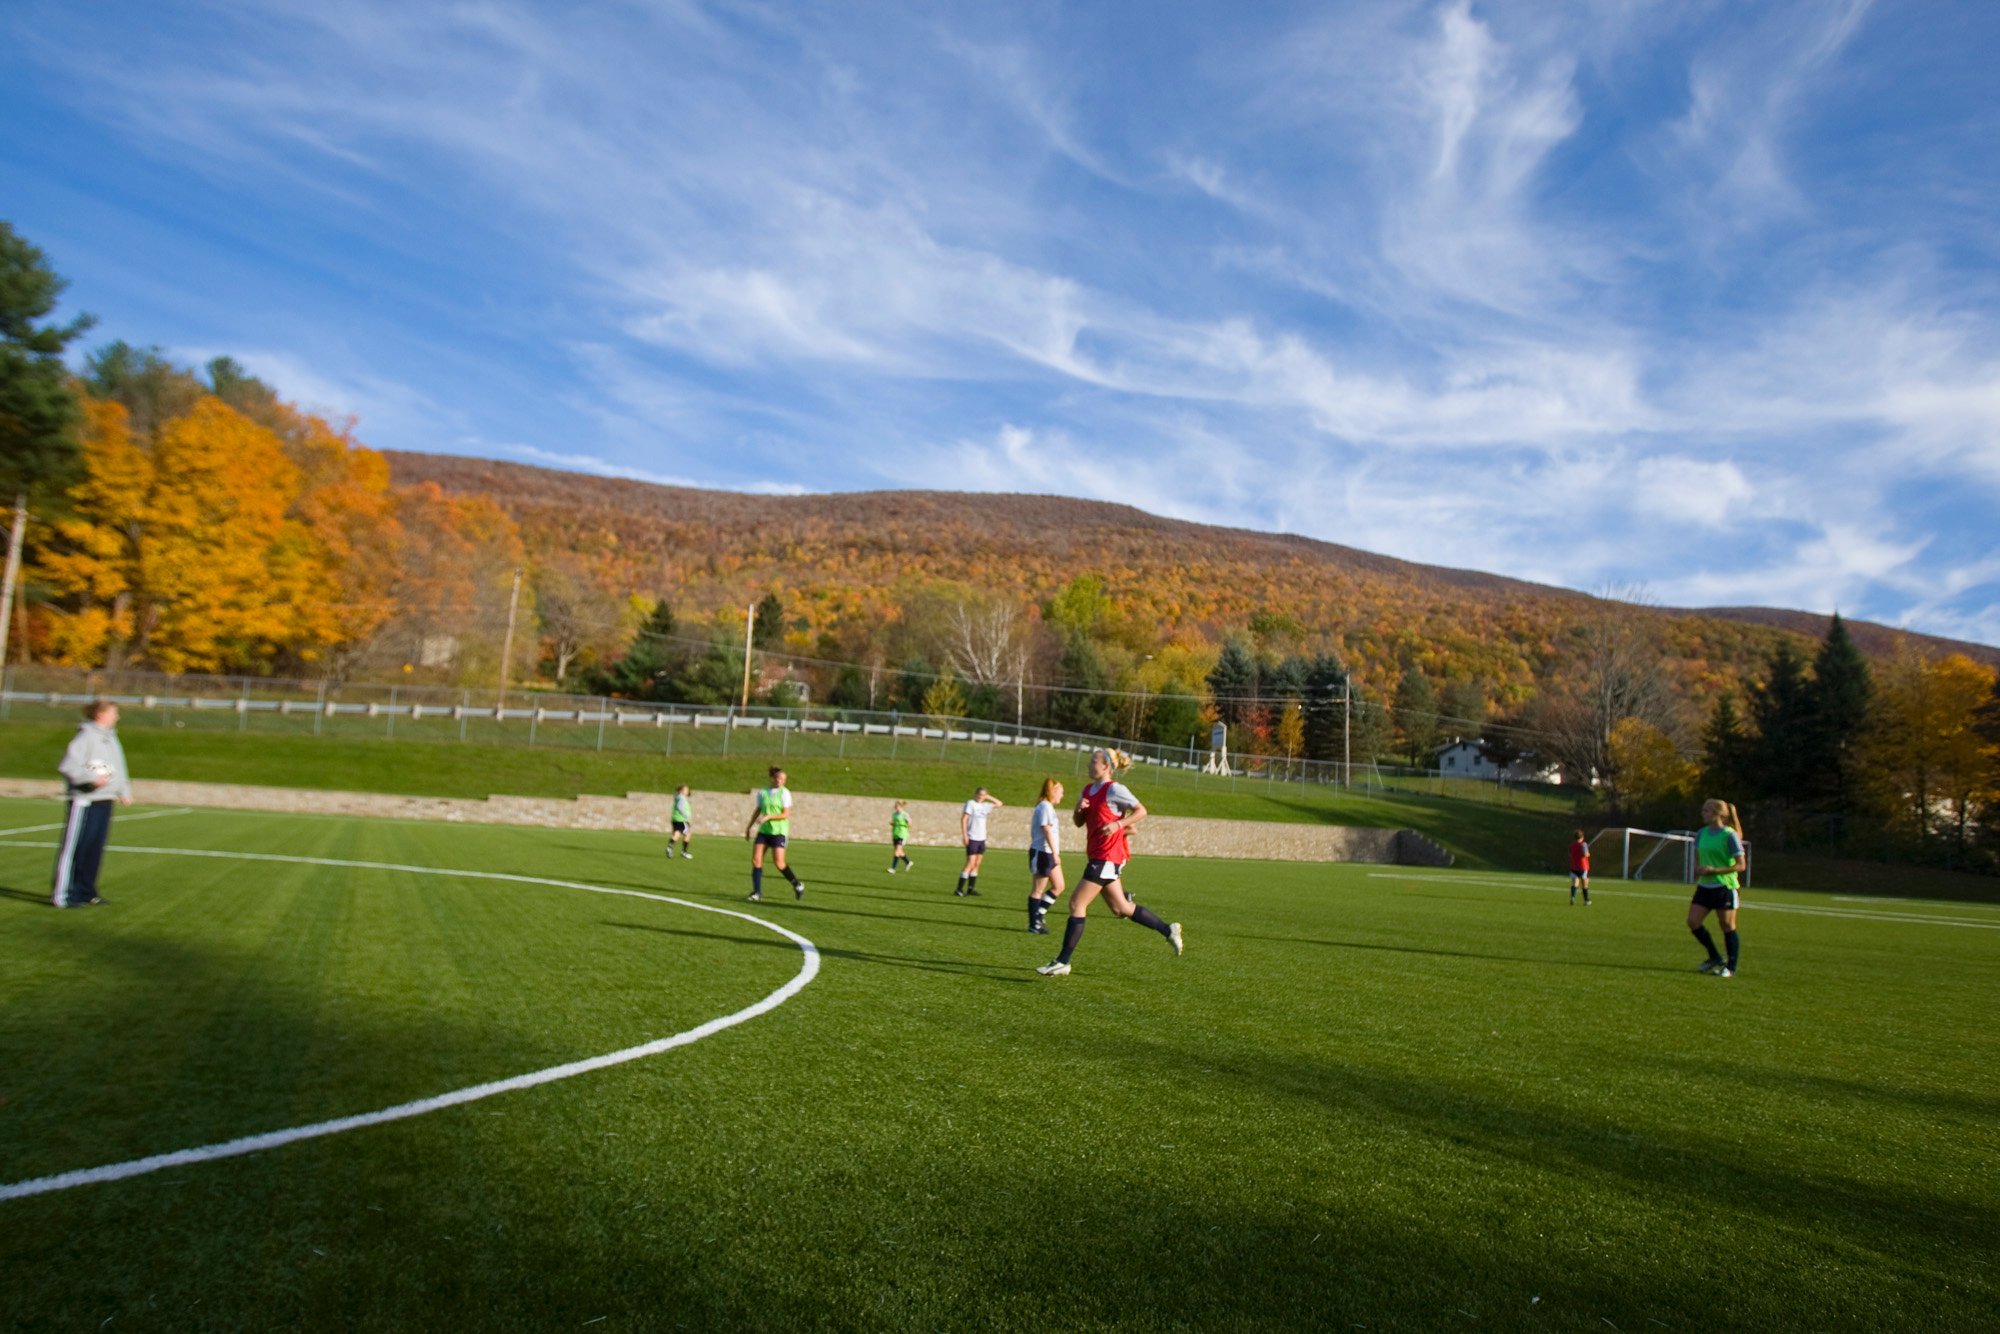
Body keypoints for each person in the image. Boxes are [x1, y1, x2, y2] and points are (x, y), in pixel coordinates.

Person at [1037, 749, 1181, 975]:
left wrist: (1118, 825)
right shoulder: (1087, 790)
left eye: (1093, 761)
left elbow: (1141, 811)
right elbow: (1078, 823)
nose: (1088, 764)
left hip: (1107, 856)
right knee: (1121, 908)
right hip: (1097, 855)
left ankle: (1063, 961)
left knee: (1077, 904)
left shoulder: (1114, 789)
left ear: (1106, 767)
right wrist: (1078, 810)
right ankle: (1168, 929)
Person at [52, 699, 132, 908]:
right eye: (114, 712)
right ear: (100, 714)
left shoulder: (111, 739)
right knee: (75, 847)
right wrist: (90, 778)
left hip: (104, 800)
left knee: (93, 849)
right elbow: (68, 766)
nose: (117, 717)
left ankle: (86, 891)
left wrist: (123, 790)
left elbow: (119, 767)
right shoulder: (85, 736)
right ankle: (63, 895)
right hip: (84, 800)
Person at [1689, 799, 1747, 978]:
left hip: (1724, 886)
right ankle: (1715, 957)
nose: (1703, 814)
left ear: (1717, 814)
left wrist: (1715, 870)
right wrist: (1698, 870)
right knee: (1693, 922)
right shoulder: (1701, 834)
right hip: (1705, 886)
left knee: (1727, 926)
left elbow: (1741, 865)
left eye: (1706, 811)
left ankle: (1731, 966)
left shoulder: (1729, 835)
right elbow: (1698, 860)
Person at [743, 767, 805, 902]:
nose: (780, 781)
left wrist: (769, 817)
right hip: (764, 832)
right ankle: (757, 892)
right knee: (756, 860)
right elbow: (758, 810)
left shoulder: (785, 793)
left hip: (779, 832)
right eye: (778, 778)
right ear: (773, 778)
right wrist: (749, 827)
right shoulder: (763, 792)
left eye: (783, 779)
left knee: (779, 863)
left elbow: (786, 814)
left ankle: (797, 884)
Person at [1026, 777, 1065, 933]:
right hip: (1042, 852)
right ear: (1053, 791)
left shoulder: (1049, 807)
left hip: (1049, 853)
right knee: (1038, 890)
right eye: (1061, 792)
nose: (1062, 796)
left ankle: (1039, 914)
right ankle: (1033, 924)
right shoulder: (1044, 806)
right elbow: (1046, 829)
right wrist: (1055, 852)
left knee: (1059, 886)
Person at [953, 786, 1003, 897]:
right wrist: (965, 835)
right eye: (979, 795)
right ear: (975, 794)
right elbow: (964, 819)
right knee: (970, 863)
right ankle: (959, 888)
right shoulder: (970, 803)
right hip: (972, 837)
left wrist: (988, 796)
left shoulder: (986, 805)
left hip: (981, 838)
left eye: (982, 795)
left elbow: (999, 803)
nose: (980, 797)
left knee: (977, 864)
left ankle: (971, 888)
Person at [667, 784, 694, 859]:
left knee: (677, 834)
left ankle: (669, 848)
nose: (687, 791)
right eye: (686, 790)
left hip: (675, 819)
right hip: (682, 820)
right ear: (681, 791)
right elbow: (680, 807)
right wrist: (686, 815)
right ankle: (684, 852)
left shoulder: (678, 797)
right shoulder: (682, 798)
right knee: (688, 834)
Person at [888, 800, 913, 874]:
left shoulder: (905, 814)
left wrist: (906, 826)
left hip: (902, 834)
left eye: (897, 806)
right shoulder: (894, 814)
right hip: (895, 833)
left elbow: (910, 823)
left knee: (897, 851)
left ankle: (893, 868)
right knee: (899, 852)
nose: (896, 808)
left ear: (901, 807)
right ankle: (908, 862)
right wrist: (892, 823)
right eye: (895, 806)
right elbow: (893, 822)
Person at [1568, 829, 1591, 905]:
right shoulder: (1583, 844)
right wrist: (1588, 854)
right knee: (1584, 884)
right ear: (1582, 837)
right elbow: (1585, 854)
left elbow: (1571, 855)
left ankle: (1573, 897)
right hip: (1583, 867)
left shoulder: (1572, 846)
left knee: (1575, 883)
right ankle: (1586, 900)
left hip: (1574, 867)